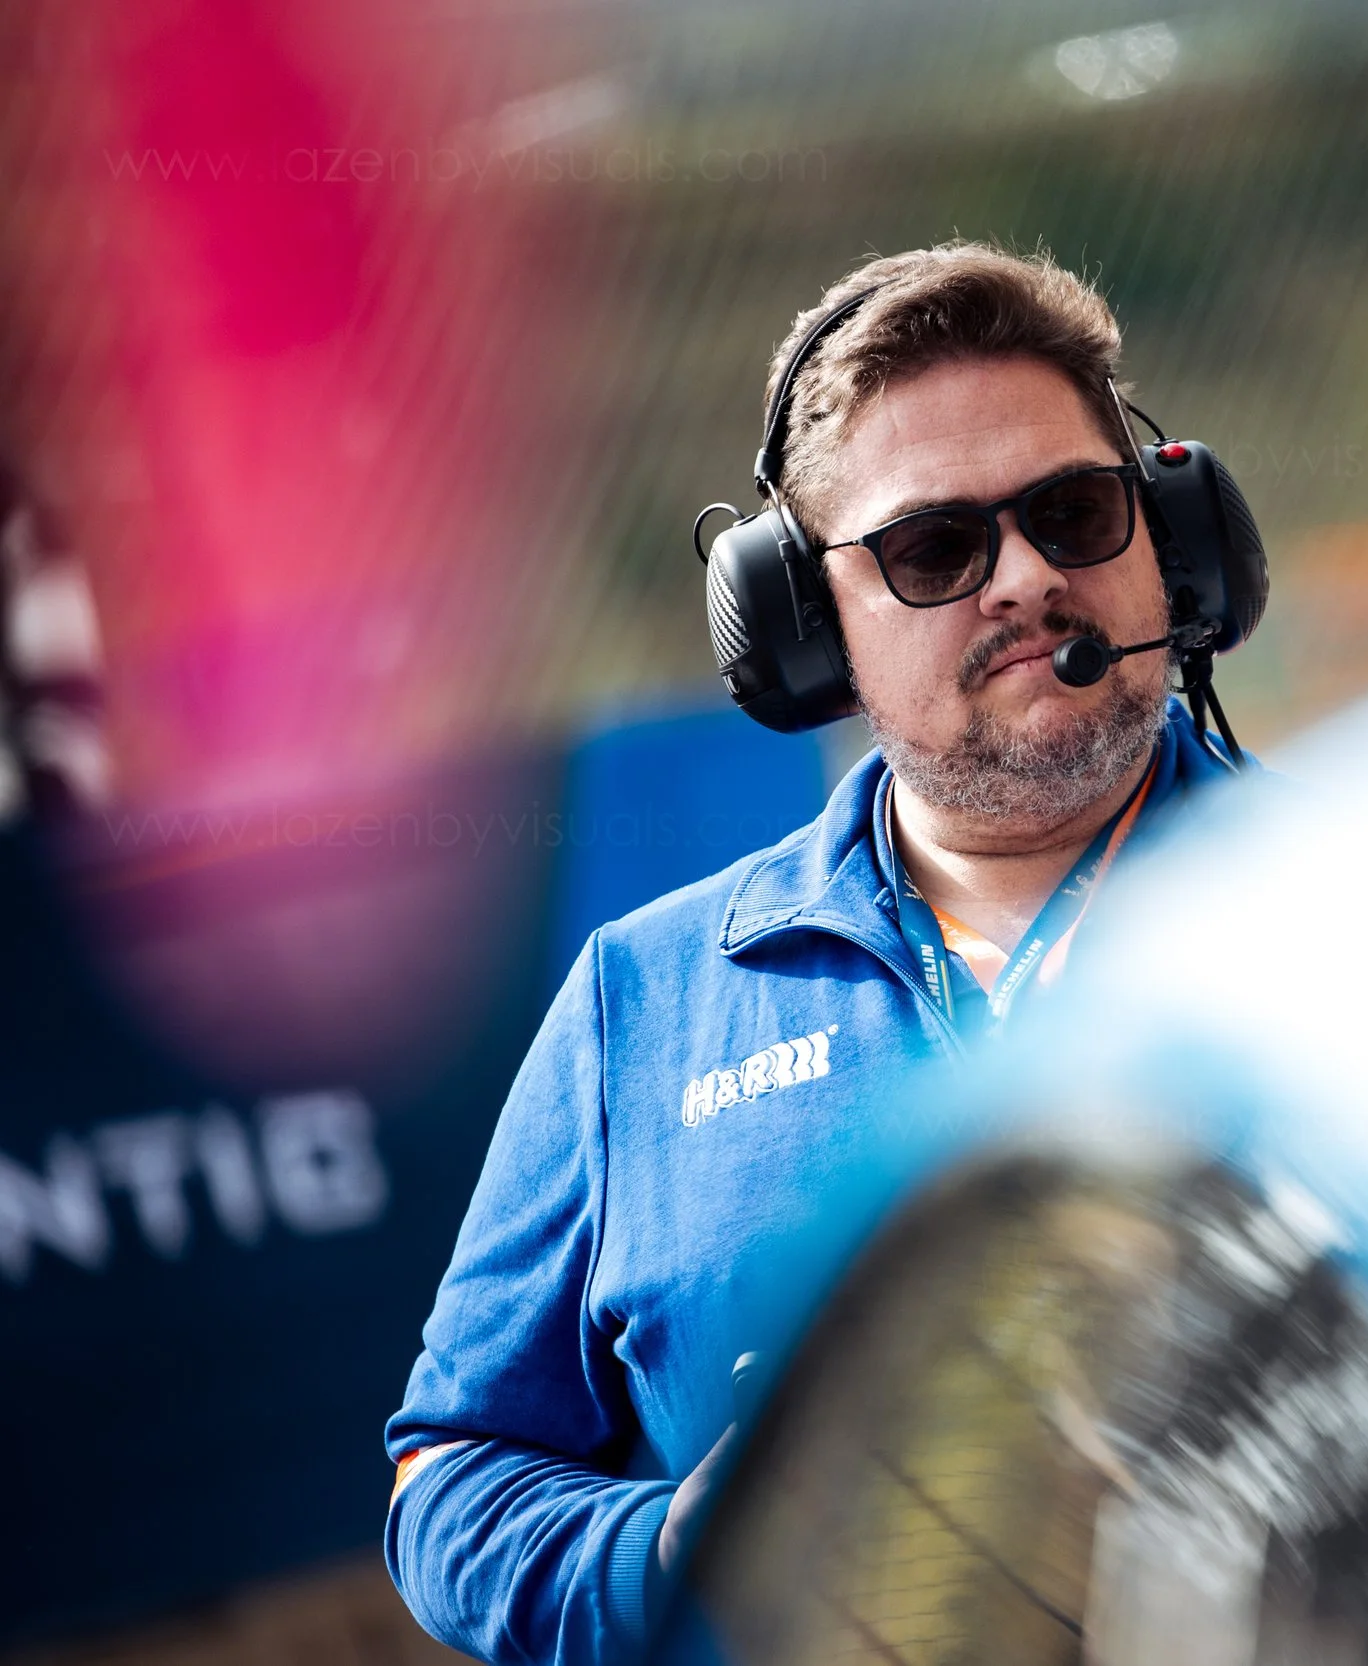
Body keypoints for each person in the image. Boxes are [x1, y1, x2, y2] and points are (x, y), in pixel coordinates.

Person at [383, 242, 1256, 1663]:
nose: (1026, 576)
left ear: (1173, 536)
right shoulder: (638, 1004)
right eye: (935, 550)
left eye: (1074, 512)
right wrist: (684, 1556)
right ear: (807, 627)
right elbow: (451, 1476)